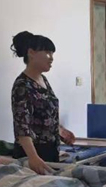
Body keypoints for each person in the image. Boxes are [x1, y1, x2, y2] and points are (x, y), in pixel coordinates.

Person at [10, 31, 76, 175]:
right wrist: (33, 157)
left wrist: (61, 131)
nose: (51, 58)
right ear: (31, 53)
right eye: (47, 52)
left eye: (52, 53)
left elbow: (45, 115)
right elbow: (22, 127)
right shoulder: (22, 85)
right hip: (32, 153)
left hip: (50, 150)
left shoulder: (43, 80)